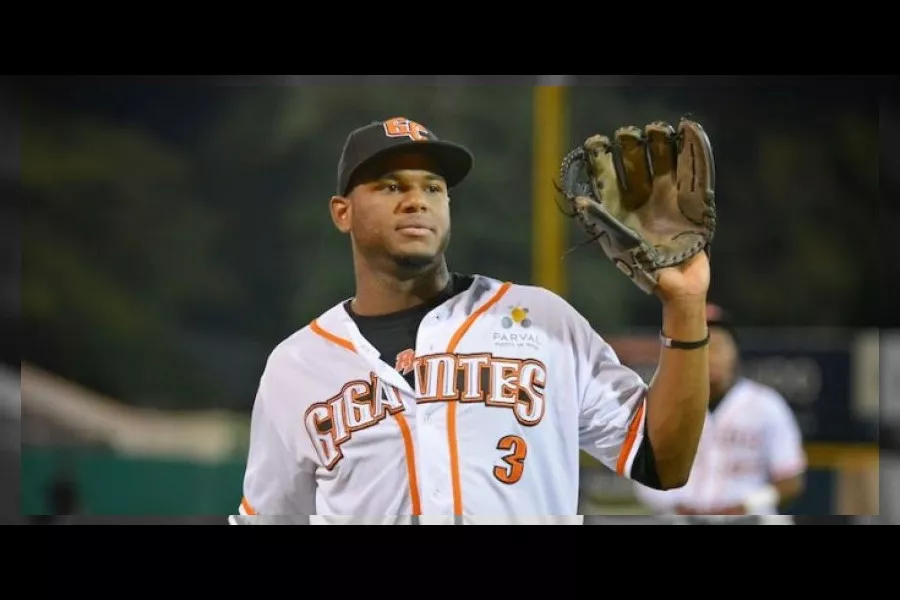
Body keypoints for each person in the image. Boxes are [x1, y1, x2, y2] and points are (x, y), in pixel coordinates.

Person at [230, 116, 712, 525]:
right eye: (391, 186)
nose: (416, 200)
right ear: (342, 212)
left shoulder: (540, 320)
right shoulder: (296, 367)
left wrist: (686, 305)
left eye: (433, 187)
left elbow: (662, 460)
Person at [632, 304, 807, 524]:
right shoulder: (661, 405)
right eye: (702, 346)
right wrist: (670, 503)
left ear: (735, 352)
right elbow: (641, 476)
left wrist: (748, 504)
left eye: (718, 346)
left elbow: (791, 481)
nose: (710, 356)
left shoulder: (766, 405)